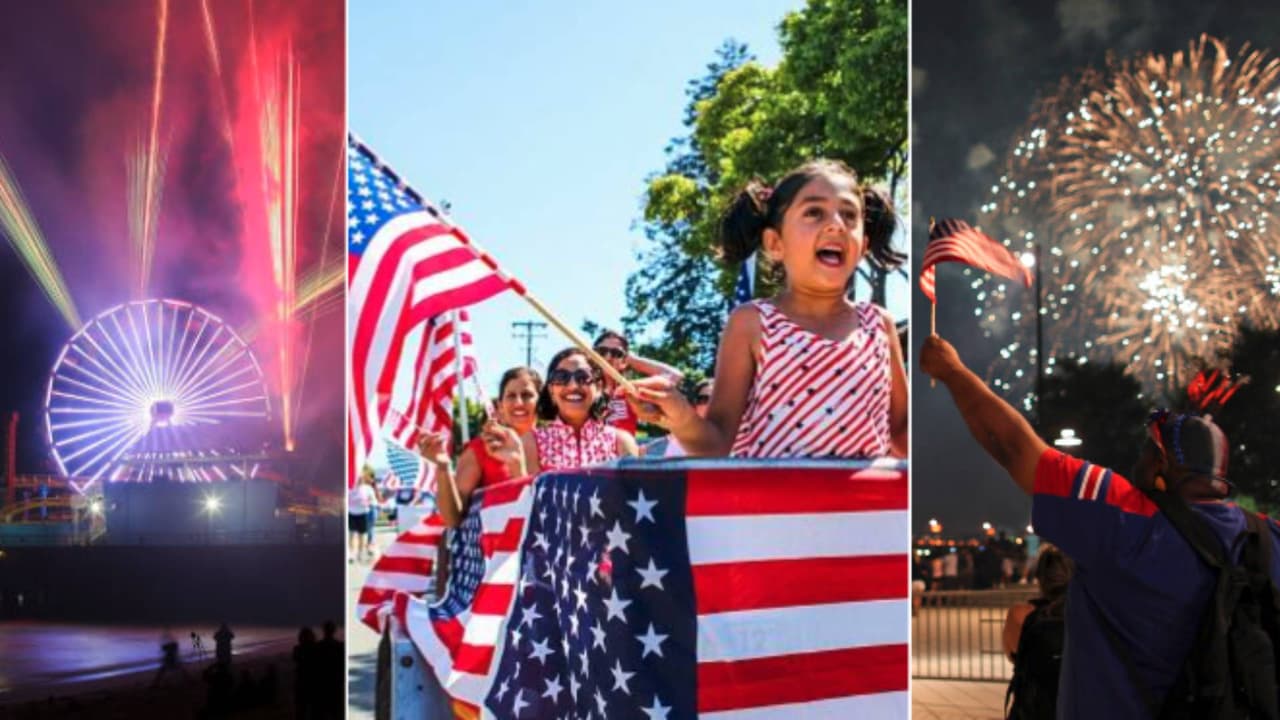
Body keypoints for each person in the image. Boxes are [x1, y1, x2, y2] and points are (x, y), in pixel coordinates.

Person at [920, 334, 1280, 719]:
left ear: (1162, 467)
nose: (1137, 460)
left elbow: (1012, 446)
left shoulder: (1124, 518)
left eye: (1146, 452)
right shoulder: (1267, 536)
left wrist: (952, 371)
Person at [631, 159, 908, 458]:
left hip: (870, 505)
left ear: (863, 245)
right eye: (814, 212)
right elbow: (716, 443)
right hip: (776, 504)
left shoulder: (879, 324)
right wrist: (682, 417)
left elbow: (903, 432)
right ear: (775, 242)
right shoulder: (752, 323)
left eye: (850, 215)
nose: (836, 224)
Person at [418, 367, 542, 528]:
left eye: (527, 395)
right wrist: (443, 469)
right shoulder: (481, 449)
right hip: (496, 549)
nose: (518, 402)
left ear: (542, 401)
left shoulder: (559, 444)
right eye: (511, 396)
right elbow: (453, 519)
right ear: (500, 405)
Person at [490, 347, 639, 475]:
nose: (573, 385)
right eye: (561, 377)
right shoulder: (531, 442)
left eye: (583, 377)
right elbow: (530, 502)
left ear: (598, 387)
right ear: (551, 390)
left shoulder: (621, 442)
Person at [1003, 544, 1072, 720]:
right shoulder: (1091, 615)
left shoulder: (1021, 614)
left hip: (1035, 708)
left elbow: (1013, 654)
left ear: (1040, 577)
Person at [593, 329, 684, 437]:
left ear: (624, 361)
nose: (608, 357)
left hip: (624, 453)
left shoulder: (629, 391)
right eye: (602, 351)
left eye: (616, 353)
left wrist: (632, 359)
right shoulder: (582, 388)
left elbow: (675, 376)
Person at [642, 378, 714, 458]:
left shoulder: (729, 440)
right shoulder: (678, 442)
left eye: (716, 398)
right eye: (704, 399)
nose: (710, 404)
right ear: (695, 405)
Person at [347, 470, 379, 563]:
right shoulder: (349, 487)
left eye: (361, 478)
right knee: (351, 535)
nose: (359, 480)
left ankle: (360, 554)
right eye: (358, 478)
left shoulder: (368, 488)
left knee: (362, 535)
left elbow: (372, 500)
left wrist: (368, 502)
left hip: (363, 513)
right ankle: (351, 554)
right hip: (351, 513)